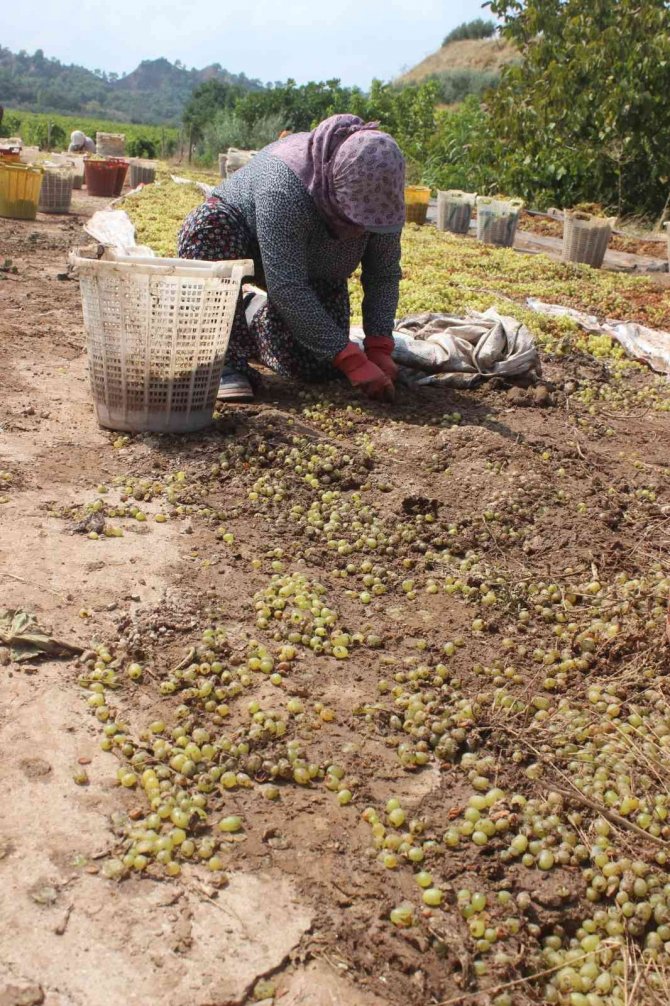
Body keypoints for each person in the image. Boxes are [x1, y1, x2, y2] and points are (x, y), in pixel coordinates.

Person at [178, 113, 405, 402]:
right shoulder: (284, 185)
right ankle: (224, 362)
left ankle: (253, 313)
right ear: (334, 186)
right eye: (354, 218)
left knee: (316, 364)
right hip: (243, 239)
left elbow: (383, 274)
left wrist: (379, 347)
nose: (361, 230)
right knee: (207, 227)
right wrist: (352, 360)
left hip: (312, 264)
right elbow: (286, 284)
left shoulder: (382, 202)